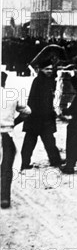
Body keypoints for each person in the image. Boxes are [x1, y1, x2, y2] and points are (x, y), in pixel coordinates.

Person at [21, 58, 63, 170]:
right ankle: (54, 161)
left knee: (42, 141)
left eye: (51, 69)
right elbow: (40, 102)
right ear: (41, 69)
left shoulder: (45, 80)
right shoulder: (40, 81)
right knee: (33, 142)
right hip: (39, 117)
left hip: (38, 118)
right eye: (47, 69)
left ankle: (26, 163)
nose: (49, 71)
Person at [1, 72, 31, 208]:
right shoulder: (11, 95)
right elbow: (27, 112)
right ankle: (4, 198)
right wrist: (15, 121)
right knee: (7, 167)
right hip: (7, 134)